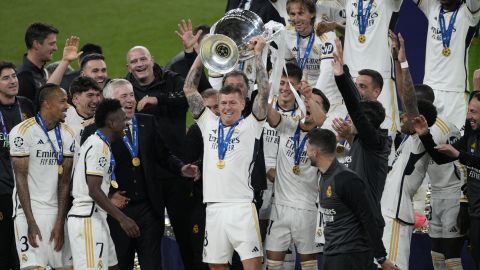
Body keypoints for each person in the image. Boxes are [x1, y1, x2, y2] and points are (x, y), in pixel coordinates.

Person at [80, 79, 199, 269]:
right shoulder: (94, 131)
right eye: (123, 96)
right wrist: (110, 195)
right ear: (111, 102)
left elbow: (163, 155)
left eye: (131, 95)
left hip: (149, 209)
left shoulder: (148, 122)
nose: (130, 100)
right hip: (117, 211)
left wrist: (180, 168)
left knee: (152, 265)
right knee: (121, 263)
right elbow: (87, 173)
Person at [183, 35, 270, 270]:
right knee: (216, 266)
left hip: (241, 206)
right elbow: (189, 88)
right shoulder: (207, 122)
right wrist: (201, 55)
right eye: (223, 103)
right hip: (213, 207)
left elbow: (263, 92)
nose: (227, 107)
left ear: (243, 104)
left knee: (252, 266)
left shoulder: (251, 124)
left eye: (233, 103)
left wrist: (259, 55)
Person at [125, 45, 195, 269]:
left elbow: (189, 97)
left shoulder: (171, 79)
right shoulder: (126, 89)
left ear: (151, 59)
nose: (139, 64)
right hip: (147, 174)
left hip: (177, 170)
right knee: (150, 238)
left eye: (142, 59)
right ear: (129, 67)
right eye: (134, 61)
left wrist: (158, 99)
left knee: (186, 234)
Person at [379, 33, 439, 270]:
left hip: (396, 215)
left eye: (407, 113)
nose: (402, 115)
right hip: (387, 211)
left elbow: (409, 101)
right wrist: (395, 59)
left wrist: (403, 62)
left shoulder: (419, 137)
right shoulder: (406, 140)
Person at [306, 128, 398, 270]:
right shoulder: (324, 178)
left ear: (315, 152)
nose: (306, 153)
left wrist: (381, 257)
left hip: (352, 256)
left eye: (307, 148)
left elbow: (369, 219)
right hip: (331, 254)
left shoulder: (347, 179)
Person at [330, 39, 390, 254]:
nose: (359, 91)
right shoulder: (356, 138)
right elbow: (342, 158)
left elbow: (356, 109)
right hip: (345, 218)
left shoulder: (377, 141)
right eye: (356, 86)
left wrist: (341, 76)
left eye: (363, 87)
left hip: (364, 223)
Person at [67, 99, 140, 269]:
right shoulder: (98, 146)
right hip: (87, 218)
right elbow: (93, 190)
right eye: (123, 120)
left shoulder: (101, 144)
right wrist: (123, 219)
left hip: (96, 217)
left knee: (113, 266)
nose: (126, 123)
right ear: (112, 123)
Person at [265, 78, 328, 269]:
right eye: (305, 102)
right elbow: (269, 114)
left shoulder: (324, 138)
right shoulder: (287, 126)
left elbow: (321, 121)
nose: (308, 106)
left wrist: (309, 96)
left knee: (309, 266)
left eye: (315, 105)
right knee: (273, 265)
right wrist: (265, 89)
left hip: (308, 209)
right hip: (280, 208)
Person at [10, 83, 75, 269]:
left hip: (56, 212)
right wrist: (30, 222)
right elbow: (20, 178)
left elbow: (65, 183)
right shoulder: (22, 132)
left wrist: (60, 222)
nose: (67, 106)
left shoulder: (68, 134)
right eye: (62, 101)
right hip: (28, 212)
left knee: (65, 267)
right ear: (47, 104)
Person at [414, 92, 480, 267]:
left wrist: (462, 202)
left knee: (453, 255)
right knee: (471, 256)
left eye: (473, 112)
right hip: (473, 210)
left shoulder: (448, 128)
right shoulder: (471, 134)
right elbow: (442, 158)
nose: (468, 116)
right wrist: (425, 135)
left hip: (455, 197)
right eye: (468, 111)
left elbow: (461, 160)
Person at [413, 0, 480, 130]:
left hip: (456, 92)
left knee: (455, 141)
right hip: (429, 90)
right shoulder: (431, 7)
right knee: (424, 138)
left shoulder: (469, 12)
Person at [342, 0, 402, 136]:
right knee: (350, 130)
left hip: (381, 72)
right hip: (352, 72)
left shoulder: (387, 3)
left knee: (388, 130)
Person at [0, 60, 34, 269]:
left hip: (29, 188)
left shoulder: (26, 105)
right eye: (6, 78)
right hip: (3, 190)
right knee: (5, 247)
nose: (13, 81)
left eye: (14, 76)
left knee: (29, 244)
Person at [183, 88, 220, 270]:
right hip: (201, 203)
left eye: (216, 107)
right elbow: (190, 164)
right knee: (202, 255)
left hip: (224, 203)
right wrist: (198, 166)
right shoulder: (195, 132)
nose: (214, 112)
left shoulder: (232, 130)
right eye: (208, 108)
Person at [17, 22, 59, 106]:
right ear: (36, 44)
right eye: (51, 44)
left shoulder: (43, 72)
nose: (55, 48)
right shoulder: (24, 77)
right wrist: (65, 61)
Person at [167, 20, 211, 91]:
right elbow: (203, 91)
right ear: (195, 43)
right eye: (208, 45)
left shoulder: (196, 59)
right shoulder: (180, 66)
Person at [65, 76, 102, 148]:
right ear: (76, 99)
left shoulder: (104, 118)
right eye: (90, 95)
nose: (95, 100)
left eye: (98, 95)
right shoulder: (65, 116)